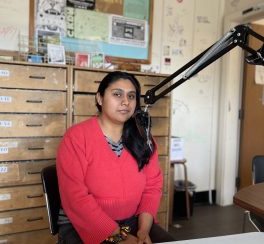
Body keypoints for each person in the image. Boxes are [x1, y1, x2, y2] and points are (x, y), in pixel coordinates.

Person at [56, 71, 175, 243]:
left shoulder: (144, 139)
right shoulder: (76, 137)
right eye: (117, 94)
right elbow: (75, 198)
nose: (125, 102)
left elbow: (152, 187)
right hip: (82, 224)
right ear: (99, 98)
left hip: (133, 222)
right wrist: (121, 238)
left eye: (131, 96)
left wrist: (143, 230)